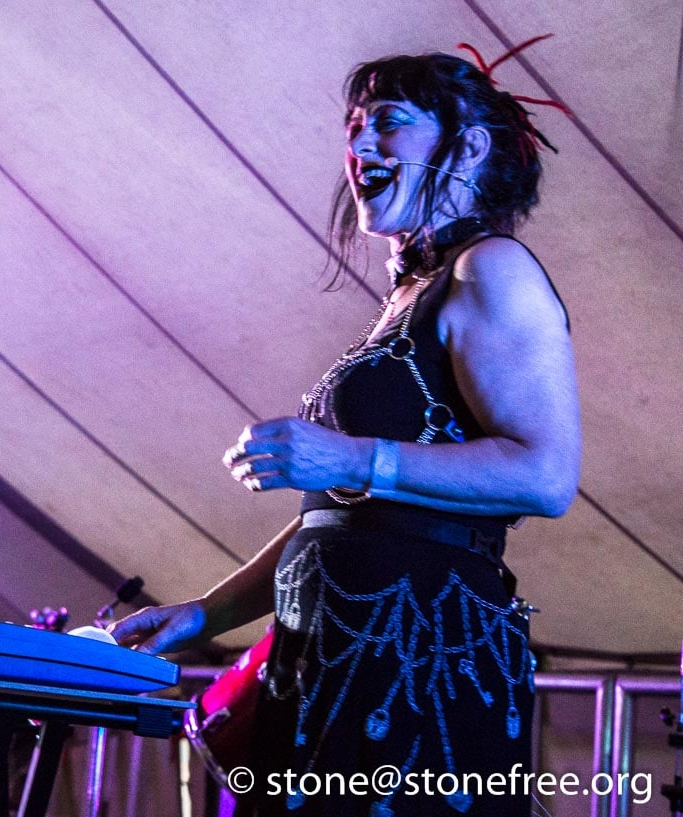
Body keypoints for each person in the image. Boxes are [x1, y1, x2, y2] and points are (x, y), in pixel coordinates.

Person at [112, 46, 580, 816]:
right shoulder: (411, 296)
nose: (358, 144)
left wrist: (352, 456)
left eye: (388, 122)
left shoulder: (493, 269)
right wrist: (207, 612)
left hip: (421, 663)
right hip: (329, 661)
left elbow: (546, 474)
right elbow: (345, 515)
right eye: (354, 126)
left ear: (468, 145)